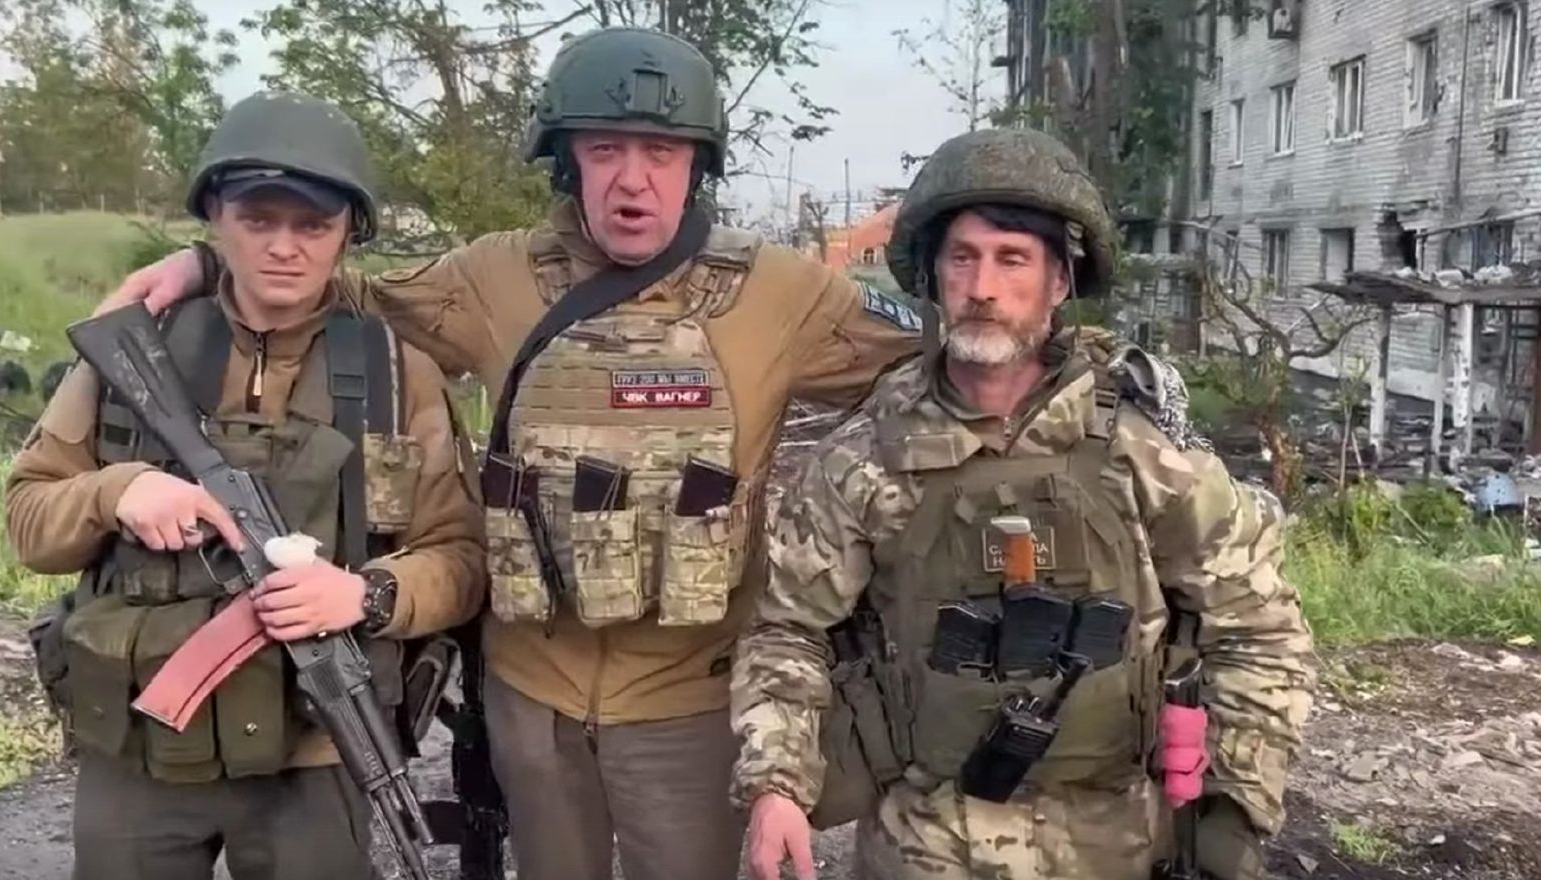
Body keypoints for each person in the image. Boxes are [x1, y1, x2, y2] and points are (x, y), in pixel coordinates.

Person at [100, 26, 926, 880]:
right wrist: (206, 266)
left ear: (698, 165)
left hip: (692, 700)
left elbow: (946, 355)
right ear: (566, 161)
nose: (632, 179)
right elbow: (342, 292)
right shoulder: (497, 277)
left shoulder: (779, 291)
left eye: (661, 152)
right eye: (604, 150)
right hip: (533, 697)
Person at [729, 127, 1317, 880]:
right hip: (924, 846)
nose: (983, 287)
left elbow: (1258, 626)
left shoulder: (1143, 451)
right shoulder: (868, 456)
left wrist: (1233, 810)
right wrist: (776, 783)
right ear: (933, 276)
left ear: (1059, 282)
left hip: (1117, 845)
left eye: (1012, 260)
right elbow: (788, 631)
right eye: (962, 258)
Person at [9, 91, 486, 880]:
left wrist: (365, 594)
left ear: (348, 234)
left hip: (315, 744)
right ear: (215, 218)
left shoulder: (396, 375)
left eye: (313, 226)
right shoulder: (138, 351)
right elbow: (29, 518)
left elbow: (461, 557)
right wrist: (115, 492)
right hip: (142, 744)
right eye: (258, 220)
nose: (285, 248)